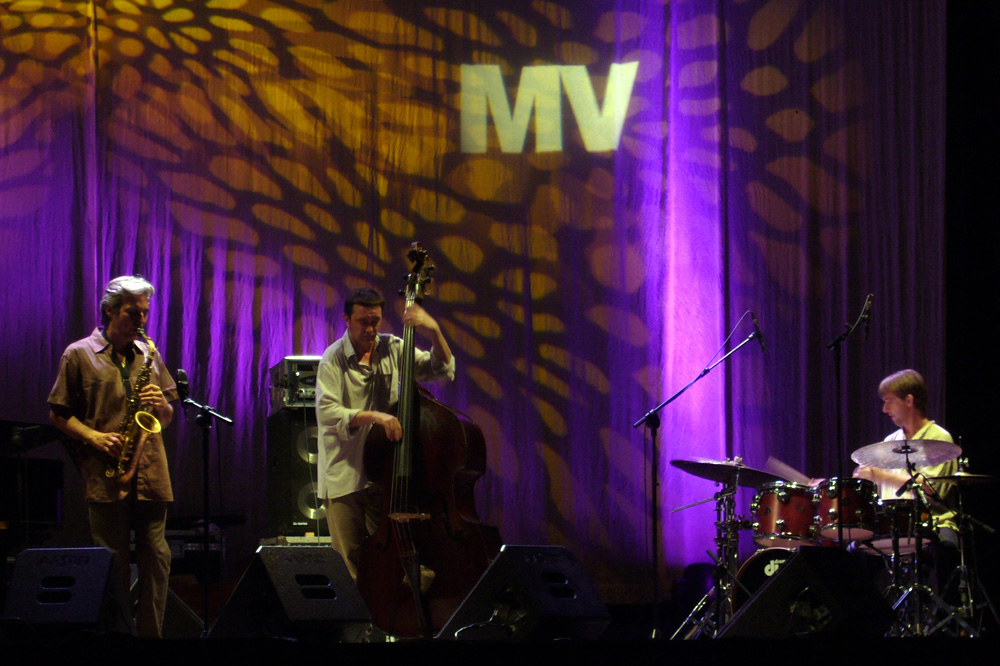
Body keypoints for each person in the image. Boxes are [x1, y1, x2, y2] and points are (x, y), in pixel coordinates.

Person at [48, 275, 177, 638]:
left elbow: (165, 417)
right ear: (108, 311)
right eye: (132, 312)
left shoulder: (149, 354)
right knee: (112, 563)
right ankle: (119, 639)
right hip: (105, 472)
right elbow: (58, 413)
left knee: (158, 557)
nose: (141, 320)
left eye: (145, 312)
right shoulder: (78, 354)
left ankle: (152, 638)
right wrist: (94, 437)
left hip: (151, 472)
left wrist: (161, 405)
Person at [315, 287, 454, 581]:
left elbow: (439, 369)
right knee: (349, 569)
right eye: (363, 322)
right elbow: (327, 414)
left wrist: (434, 331)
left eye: (375, 321)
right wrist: (374, 416)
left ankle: (390, 621)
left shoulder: (393, 347)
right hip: (345, 475)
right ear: (346, 320)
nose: (370, 329)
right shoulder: (333, 359)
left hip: (382, 476)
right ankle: (356, 626)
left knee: (391, 563)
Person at [854, 369, 959, 593]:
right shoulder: (889, 442)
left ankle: (943, 621)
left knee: (947, 549)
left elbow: (930, 490)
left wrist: (881, 475)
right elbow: (877, 491)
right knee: (853, 554)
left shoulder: (939, 438)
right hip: (894, 526)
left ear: (909, 400)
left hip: (933, 523)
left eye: (889, 402)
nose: (885, 409)